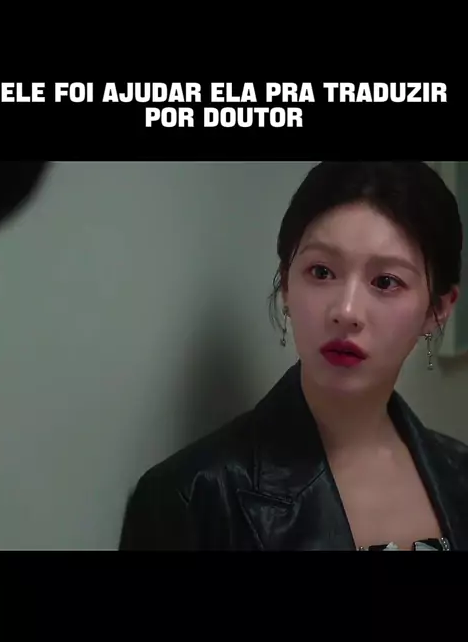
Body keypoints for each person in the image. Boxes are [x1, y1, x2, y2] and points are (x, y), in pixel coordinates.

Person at [119, 161, 468, 551]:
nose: (346, 311)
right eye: (321, 272)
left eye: (385, 281)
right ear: (286, 284)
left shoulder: (460, 475)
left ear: (438, 309)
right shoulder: (191, 497)